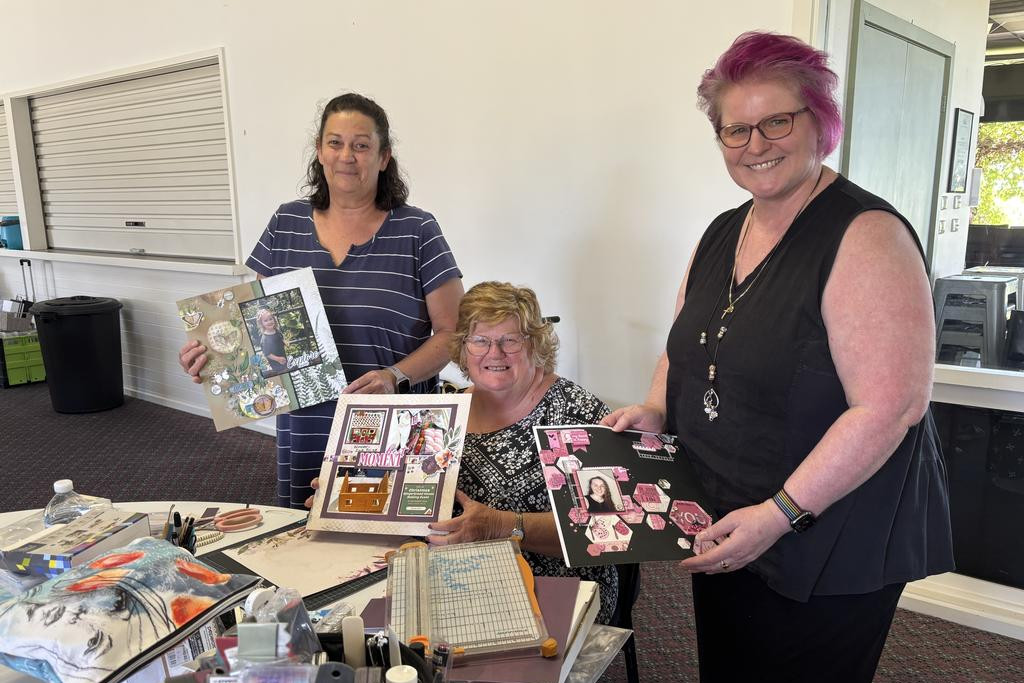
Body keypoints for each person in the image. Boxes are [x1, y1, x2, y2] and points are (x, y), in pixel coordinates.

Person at [603, 32, 954, 682]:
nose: (755, 145)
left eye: (777, 121)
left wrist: (779, 514)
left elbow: (891, 406)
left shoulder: (867, 235)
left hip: (828, 532)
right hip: (730, 515)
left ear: (820, 122)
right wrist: (656, 407)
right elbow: (685, 342)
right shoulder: (723, 229)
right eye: (736, 130)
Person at [180, 93, 463, 508]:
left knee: (392, 542)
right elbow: (256, 324)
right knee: (307, 544)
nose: (347, 155)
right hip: (307, 424)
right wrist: (212, 359)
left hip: (394, 423)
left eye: (361, 145)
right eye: (335, 142)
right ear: (319, 151)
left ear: (383, 157)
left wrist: (394, 376)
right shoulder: (286, 222)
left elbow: (453, 333)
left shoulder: (417, 230)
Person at [256, 309, 288, 375]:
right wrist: (278, 359)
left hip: (283, 357)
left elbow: (280, 338)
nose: (269, 322)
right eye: (266, 320)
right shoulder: (265, 339)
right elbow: (267, 353)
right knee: (282, 372)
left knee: (286, 368)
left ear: (274, 319)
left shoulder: (276, 331)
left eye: (270, 319)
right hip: (276, 362)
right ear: (262, 324)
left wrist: (284, 342)